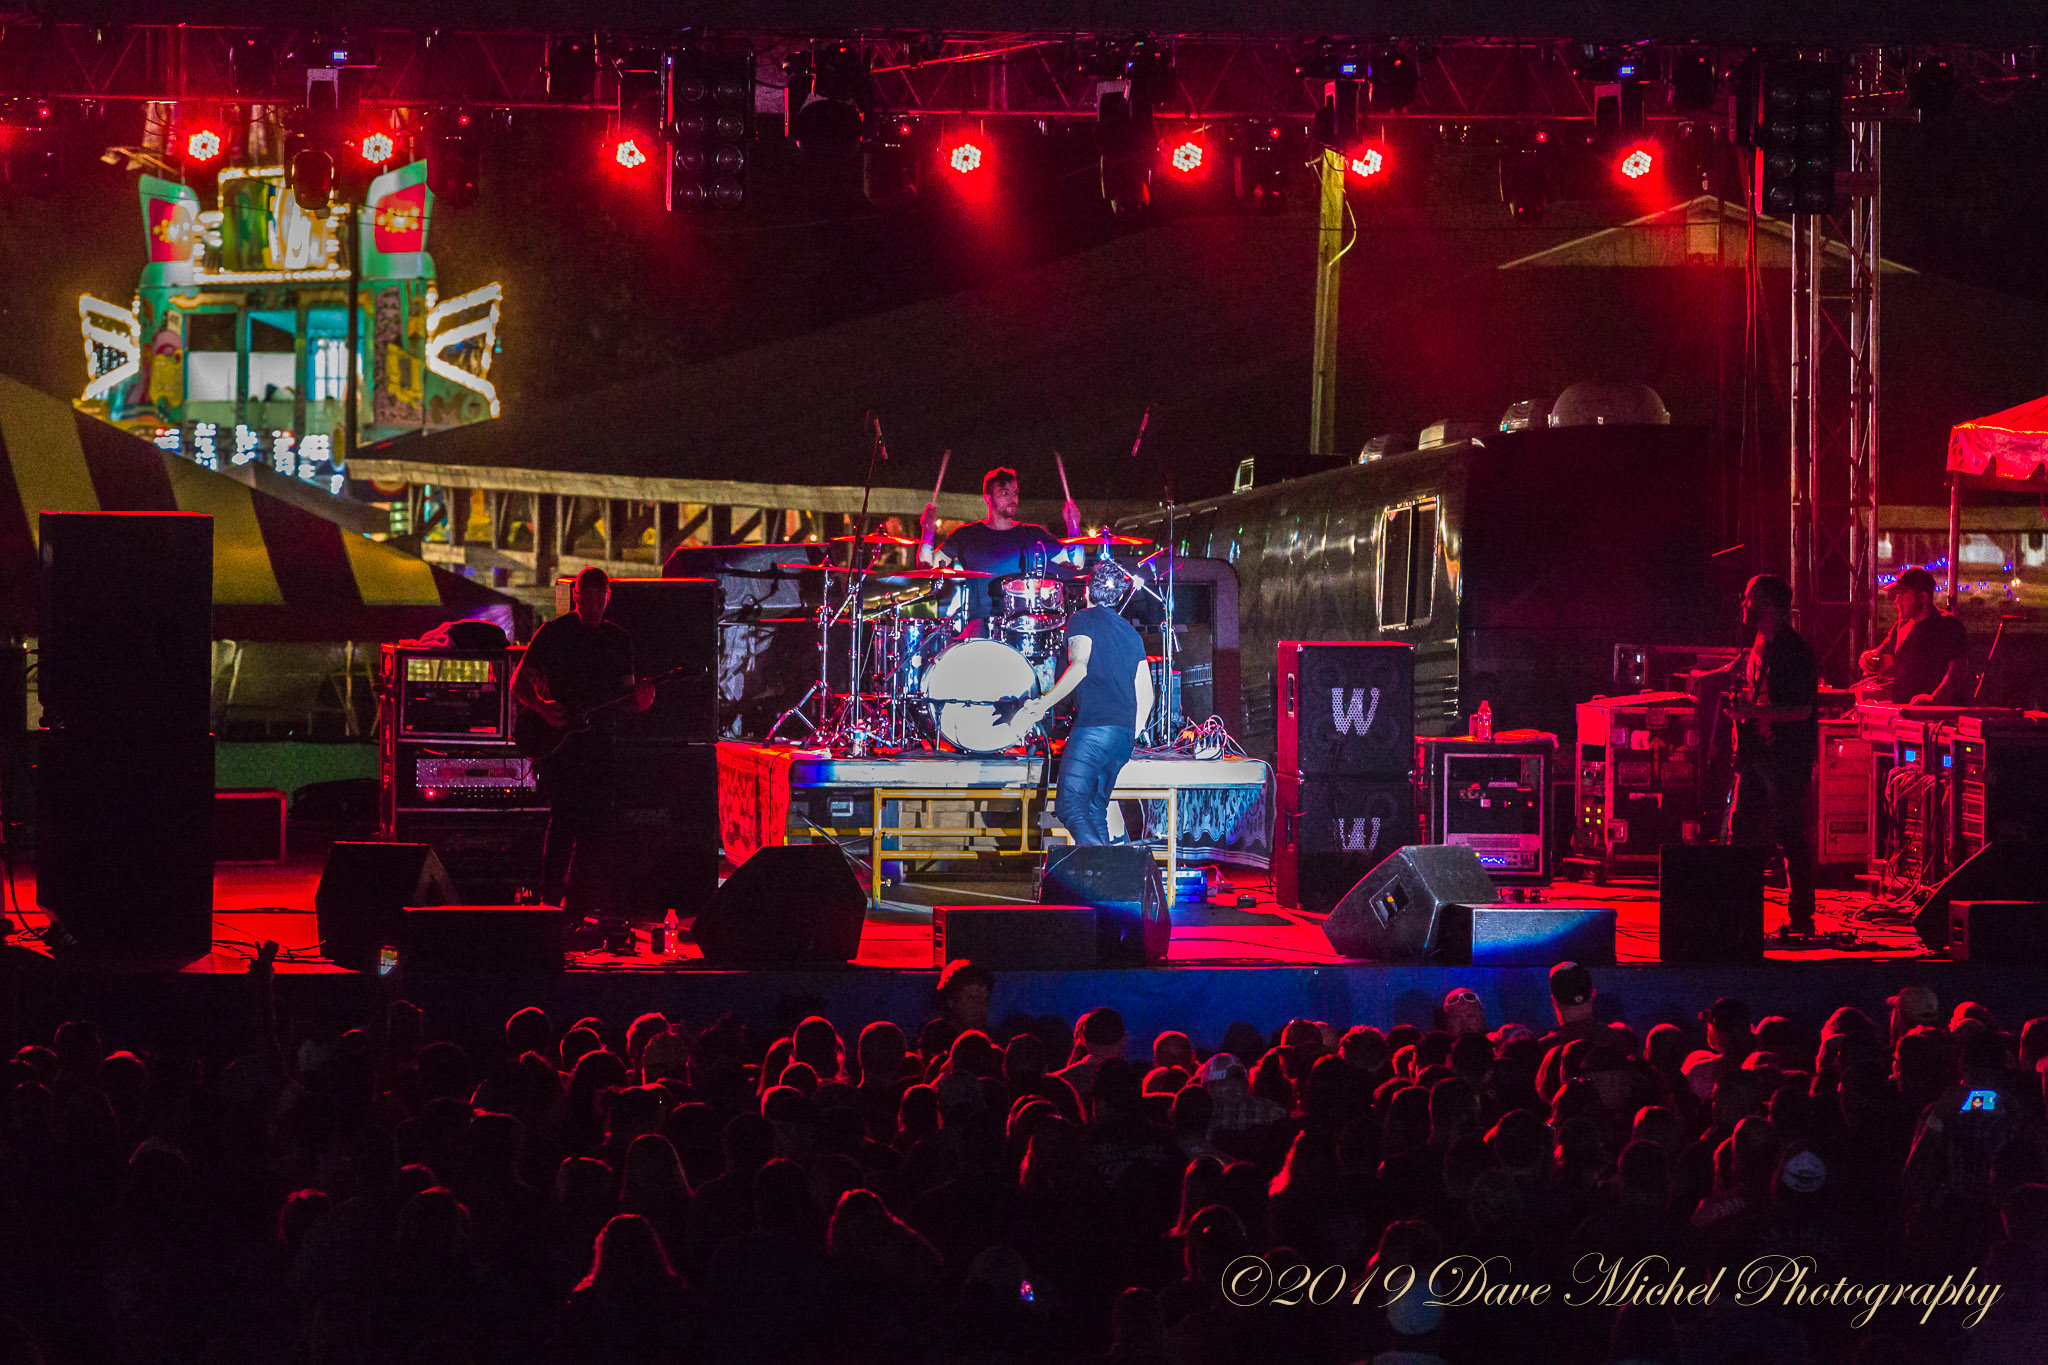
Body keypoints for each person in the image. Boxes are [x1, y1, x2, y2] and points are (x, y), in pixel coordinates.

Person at [511, 567, 656, 947]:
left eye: (598, 599)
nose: (592, 605)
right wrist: (542, 708)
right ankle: (550, 903)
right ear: (575, 596)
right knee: (563, 822)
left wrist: (641, 703)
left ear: (608, 597)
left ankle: (575, 912)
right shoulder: (553, 633)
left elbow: (625, 698)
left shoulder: (618, 640)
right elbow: (518, 682)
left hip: (600, 745)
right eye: (585, 598)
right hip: (562, 745)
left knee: (595, 830)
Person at [1016, 560, 1153, 845]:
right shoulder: (1131, 633)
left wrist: (1042, 705)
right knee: (1094, 811)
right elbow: (1147, 694)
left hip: (1094, 731)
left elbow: (1079, 667)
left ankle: (1103, 868)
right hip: (1123, 735)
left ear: (1087, 590)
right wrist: (1133, 731)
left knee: (1069, 806)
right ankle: (1105, 871)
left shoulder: (1082, 619)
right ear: (1118, 597)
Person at [1715, 573, 1820, 938]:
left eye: (1751, 598)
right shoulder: (1758, 645)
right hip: (1757, 753)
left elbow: (1803, 709)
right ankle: (1738, 914)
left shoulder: (1796, 651)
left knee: (1788, 832)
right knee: (1742, 828)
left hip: (1787, 755)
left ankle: (1801, 917)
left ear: (1769, 606)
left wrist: (1754, 713)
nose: (1744, 605)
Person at [920, 466, 1083, 629]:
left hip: (1023, 623)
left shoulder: (1032, 534)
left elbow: (1076, 562)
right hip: (980, 623)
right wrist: (928, 531)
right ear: (988, 498)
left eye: (1015, 493)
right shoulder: (966, 535)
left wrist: (1073, 525)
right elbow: (927, 566)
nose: (1013, 499)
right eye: (1005, 493)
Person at [1858, 566, 1972, 704]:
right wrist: (1867, 658)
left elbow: (1958, 670)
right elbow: (1880, 656)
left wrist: (1934, 699)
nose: (1897, 601)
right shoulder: (1901, 627)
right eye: (1897, 596)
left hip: (1934, 714)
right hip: (1903, 711)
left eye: (1904, 596)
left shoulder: (1948, 626)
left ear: (1923, 597)